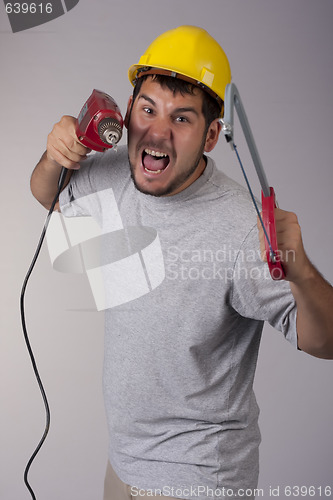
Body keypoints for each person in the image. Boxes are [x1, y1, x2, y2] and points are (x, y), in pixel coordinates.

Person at [30, 25, 333, 500]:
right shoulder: (114, 173)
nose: (158, 132)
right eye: (148, 109)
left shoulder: (240, 227)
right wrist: (56, 155)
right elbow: (49, 194)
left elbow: (326, 341)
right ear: (128, 111)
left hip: (199, 479)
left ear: (212, 136)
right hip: (124, 466)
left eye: (183, 119)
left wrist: (302, 269)